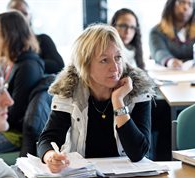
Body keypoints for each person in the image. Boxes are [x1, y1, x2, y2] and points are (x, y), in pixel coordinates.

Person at [37, 24, 155, 173]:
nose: (115, 68)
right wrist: (50, 157)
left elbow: (138, 153)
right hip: (83, 174)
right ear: (85, 65)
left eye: (118, 58)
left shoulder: (137, 91)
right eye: (104, 60)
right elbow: (48, 139)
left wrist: (118, 101)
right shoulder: (69, 92)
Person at [0, 11, 45, 153]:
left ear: (9, 33)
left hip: (13, 134)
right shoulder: (11, 63)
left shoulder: (28, 66)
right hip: (3, 126)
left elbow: (15, 113)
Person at [7, 0, 64, 74]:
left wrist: (28, 62)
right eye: (16, 14)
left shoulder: (43, 40)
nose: (21, 18)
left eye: (24, 13)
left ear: (30, 16)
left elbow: (59, 66)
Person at [149, 0, 195, 69]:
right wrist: (170, 61)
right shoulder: (157, 31)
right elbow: (159, 52)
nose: (186, 7)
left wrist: (193, 62)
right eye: (181, 2)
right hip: (171, 73)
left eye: (190, 4)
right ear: (171, 5)